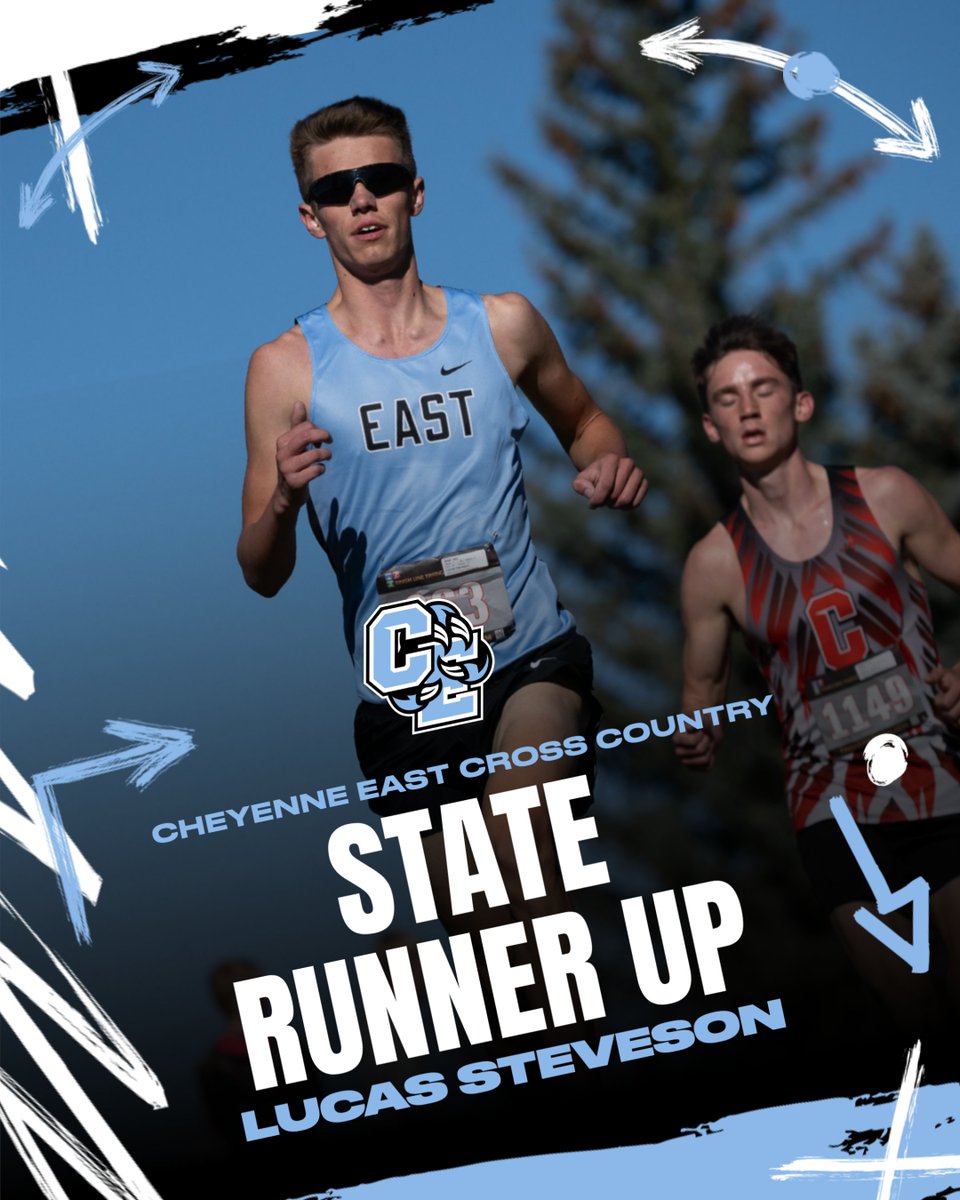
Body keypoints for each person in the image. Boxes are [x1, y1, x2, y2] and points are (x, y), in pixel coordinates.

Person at [237, 96, 645, 942]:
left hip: (529, 652)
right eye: (338, 188)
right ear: (310, 218)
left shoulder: (503, 325)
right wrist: (281, 498)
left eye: (379, 179)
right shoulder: (285, 368)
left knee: (532, 869)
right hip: (408, 701)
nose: (362, 200)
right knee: (493, 959)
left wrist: (603, 459)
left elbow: (586, 422)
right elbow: (260, 570)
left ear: (414, 193)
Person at [673, 313, 960, 1037]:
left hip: (939, 783)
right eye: (728, 399)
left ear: (799, 403)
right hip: (832, 810)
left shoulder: (886, 495)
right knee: (917, 1016)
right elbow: (699, 696)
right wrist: (694, 735)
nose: (748, 409)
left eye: (763, 389)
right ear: (711, 427)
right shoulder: (715, 565)